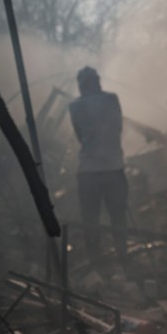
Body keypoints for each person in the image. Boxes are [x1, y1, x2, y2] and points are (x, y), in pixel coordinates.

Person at [68, 66, 128, 268]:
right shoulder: (112, 99)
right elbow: (118, 128)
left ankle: (96, 262)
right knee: (118, 218)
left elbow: (79, 136)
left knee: (90, 220)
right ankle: (123, 258)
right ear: (98, 81)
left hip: (88, 171)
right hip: (113, 168)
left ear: (81, 85)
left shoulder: (74, 106)